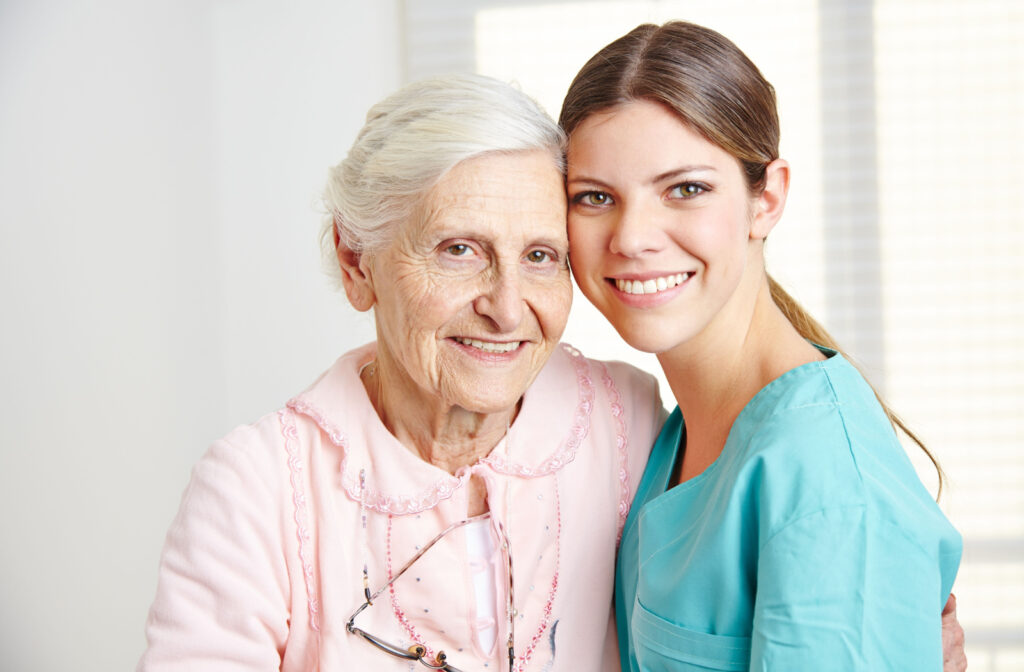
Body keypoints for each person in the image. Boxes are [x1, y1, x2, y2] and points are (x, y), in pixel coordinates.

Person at [137, 74, 664, 671]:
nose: (508, 308)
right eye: (459, 250)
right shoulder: (256, 488)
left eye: (540, 256)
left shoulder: (630, 424)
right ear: (356, 262)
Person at [559, 21, 964, 671]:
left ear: (766, 199)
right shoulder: (666, 435)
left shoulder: (829, 485)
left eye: (685, 189)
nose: (632, 237)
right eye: (595, 197)